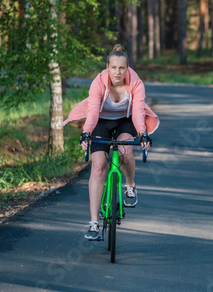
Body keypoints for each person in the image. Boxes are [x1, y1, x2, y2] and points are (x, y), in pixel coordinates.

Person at [63, 44, 159, 240]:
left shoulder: (136, 83)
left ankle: (130, 185)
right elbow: (91, 113)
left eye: (121, 68)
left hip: (126, 120)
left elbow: (139, 112)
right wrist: (86, 133)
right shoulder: (98, 82)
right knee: (98, 166)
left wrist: (142, 133)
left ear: (127, 68)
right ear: (107, 67)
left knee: (125, 152)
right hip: (100, 121)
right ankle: (93, 223)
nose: (117, 72)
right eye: (113, 67)